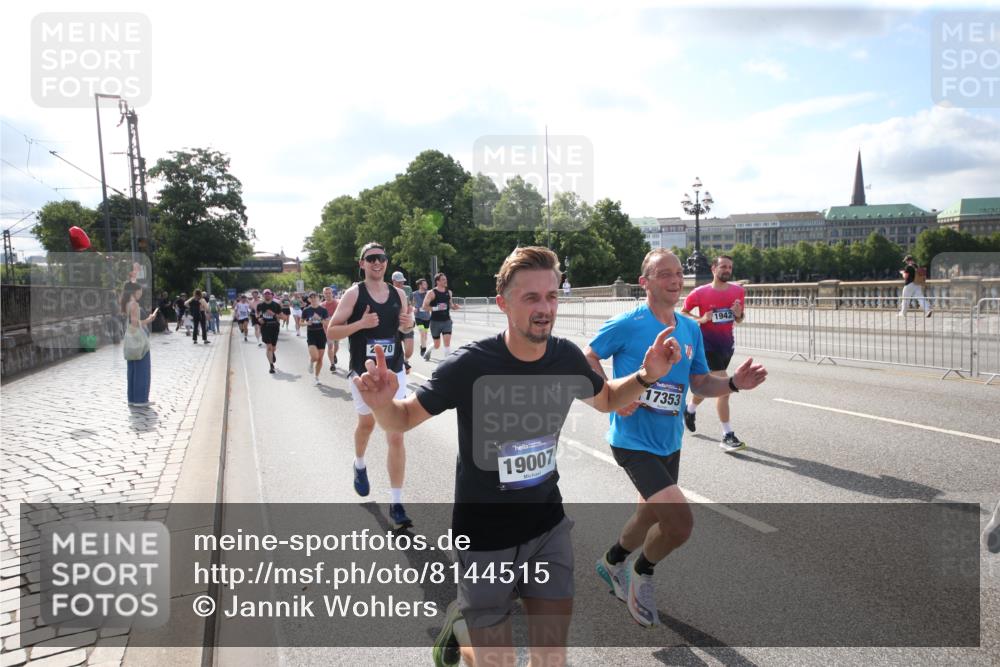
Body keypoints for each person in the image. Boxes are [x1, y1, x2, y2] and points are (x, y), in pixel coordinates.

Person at [354, 246, 682, 666]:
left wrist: (647, 375)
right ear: (503, 303)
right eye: (531, 298)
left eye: (551, 296)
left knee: (551, 658)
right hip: (484, 537)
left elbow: (607, 399)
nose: (545, 309)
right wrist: (383, 404)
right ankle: (462, 625)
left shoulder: (565, 357)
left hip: (547, 528)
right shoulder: (471, 365)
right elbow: (402, 419)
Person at [585, 249, 768, 627]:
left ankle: (611, 562)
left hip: (669, 441)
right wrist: (611, 395)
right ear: (645, 282)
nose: (675, 280)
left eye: (679, 273)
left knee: (647, 516)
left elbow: (699, 382)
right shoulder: (628, 323)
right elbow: (587, 357)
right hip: (632, 441)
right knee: (680, 524)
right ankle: (643, 572)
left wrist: (734, 383)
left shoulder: (689, 328)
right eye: (664, 273)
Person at [326, 242, 415, 528]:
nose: (377, 262)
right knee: (366, 425)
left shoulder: (398, 293)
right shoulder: (354, 294)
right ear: (362, 263)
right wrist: (361, 324)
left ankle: (397, 503)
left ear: (387, 262)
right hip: (364, 374)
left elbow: (405, 330)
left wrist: (408, 324)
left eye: (382, 258)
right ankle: (360, 464)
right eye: (371, 258)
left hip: (393, 372)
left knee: (396, 434)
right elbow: (332, 331)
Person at [680, 255, 747, 451]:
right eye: (723, 266)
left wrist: (738, 314)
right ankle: (727, 435)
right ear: (713, 269)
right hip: (706, 346)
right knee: (725, 388)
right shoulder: (700, 292)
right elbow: (683, 313)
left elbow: (739, 318)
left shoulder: (738, 291)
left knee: (708, 385)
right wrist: (701, 319)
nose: (727, 270)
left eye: (730, 267)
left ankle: (690, 409)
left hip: (726, 347)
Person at [121, 282, 159, 407]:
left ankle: (132, 398)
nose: (141, 293)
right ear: (134, 291)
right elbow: (135, 322)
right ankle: (141, 399)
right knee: (142, 370)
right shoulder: (134, 304)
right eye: (140, 291)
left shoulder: (126, 303)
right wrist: (149, 319)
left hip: (130, 339)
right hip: (138, 340)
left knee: (132, 370)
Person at [421, 272, 460, 361]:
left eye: (445, 279)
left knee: (447, 343)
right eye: (443, 280)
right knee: (437, 345)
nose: (445, 281)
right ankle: (428, 351)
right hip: (435, 322)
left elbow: (450, 305)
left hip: (447, 321)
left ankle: (447, 363)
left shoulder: (449, 292)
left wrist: (454, 307)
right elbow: (424, 307)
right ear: (437, 282)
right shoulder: (431, 293)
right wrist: (437, 308)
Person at [302, 292, 330, 385]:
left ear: (319, 298)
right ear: (309, 299)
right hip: (311, 334)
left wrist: (320, 319)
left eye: (315, 297)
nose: (314, 299)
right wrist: (307, 323)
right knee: (315, 357)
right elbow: (301, 323)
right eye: (312, 297)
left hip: (321, 334)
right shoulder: (306, 310)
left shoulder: (323, 310)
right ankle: (311, 362)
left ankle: (316, 377)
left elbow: (327, 323)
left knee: (320, 359)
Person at [257, 289, 286, 373]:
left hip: (274, 327)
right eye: (265, 294)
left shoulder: (276, 305)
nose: (267, 295)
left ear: (271, 295)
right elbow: (257, 314)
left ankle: (272, 353)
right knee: (269, 347)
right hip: (265, 328)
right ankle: (271, 366)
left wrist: (274, 314)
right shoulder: (260, 305)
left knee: (273, 348)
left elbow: (283, 317)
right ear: (263, 295)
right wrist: (259, 319)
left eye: (268, 294)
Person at [392, 271, 415, 373]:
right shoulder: (388, 291)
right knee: (395, 350)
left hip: (406, 323)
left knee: (409, 351)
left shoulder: (408, 289)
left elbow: (412, 302)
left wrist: (411, 307)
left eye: (402, 281)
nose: (401, 284)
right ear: (393, 281)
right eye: (399, 282)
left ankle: (405, 360)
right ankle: (401, 365)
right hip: (394, 324)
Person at [321, 286, 341, 372]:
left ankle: (334, 354)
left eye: (329, 293)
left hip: (337, 328)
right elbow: (320, 318)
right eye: (326, 293)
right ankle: (332, 364)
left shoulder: (337, 303)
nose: (328, 295)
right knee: (330, 346)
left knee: (336, 345)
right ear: (323, 294)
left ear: (332, 293)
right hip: (327, 329)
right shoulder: (322, 306)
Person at [412, 278, 432, 359]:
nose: (426, 285)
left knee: (425, 336)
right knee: (422, 333)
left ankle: (422, 345)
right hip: (418, 317)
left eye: (426, 284)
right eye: (425, 284)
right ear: (420, 285)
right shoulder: (414, 294)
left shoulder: (428, 293)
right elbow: (411, 304)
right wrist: (414, 308)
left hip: (427, 317)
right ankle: (424, 350)